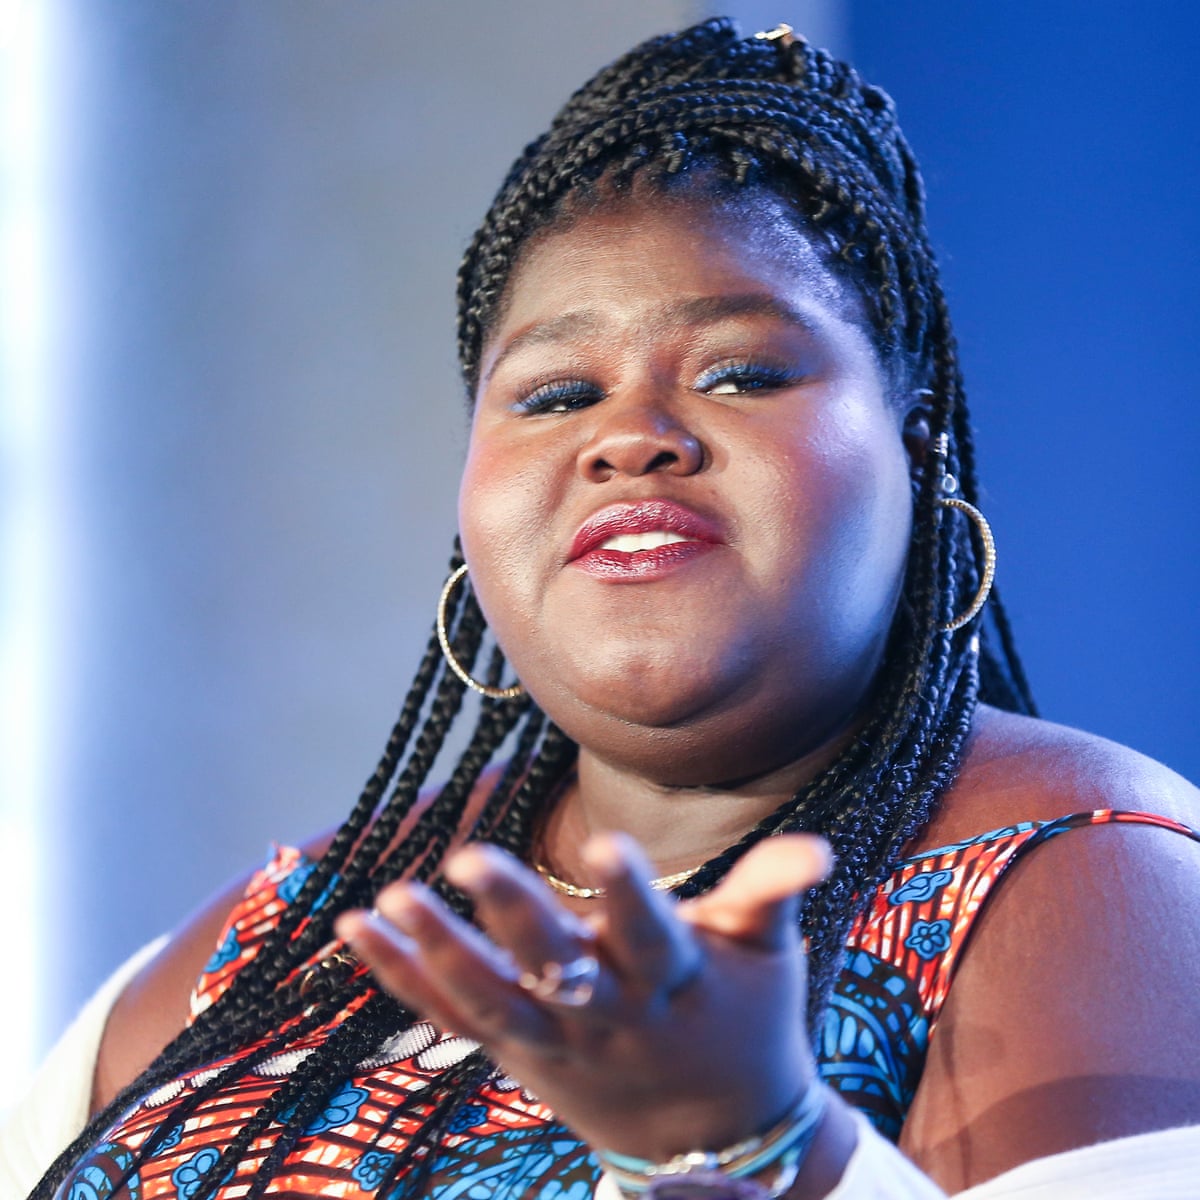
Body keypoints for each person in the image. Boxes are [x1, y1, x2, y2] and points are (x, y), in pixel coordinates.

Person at [9, 16, 1200, 1200]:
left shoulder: (1091, 877)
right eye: (557, 393)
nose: (629, 437)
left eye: (740, 374)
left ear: (915, 450)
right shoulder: (285, 934)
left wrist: (769, 1146)